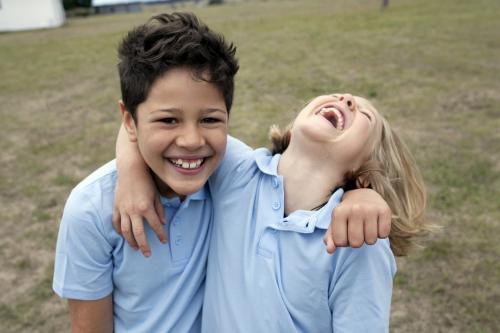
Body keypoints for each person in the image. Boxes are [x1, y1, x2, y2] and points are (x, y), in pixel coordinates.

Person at [53, 12, 391, 333]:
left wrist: (365, 194)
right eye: (169, 120)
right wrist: (130, 170)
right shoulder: (92, 208)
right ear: (130, 122)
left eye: (210, 120)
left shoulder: (230, 172)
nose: (190, 140)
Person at [117, 93, 430, 332]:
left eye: (364, 115)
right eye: (338, 94)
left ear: (366, 171)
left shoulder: (358, 242)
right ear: (293, 129)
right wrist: (131, 173)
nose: (346, 99)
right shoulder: (238, 171)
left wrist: (366, 196)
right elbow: (140, 119)